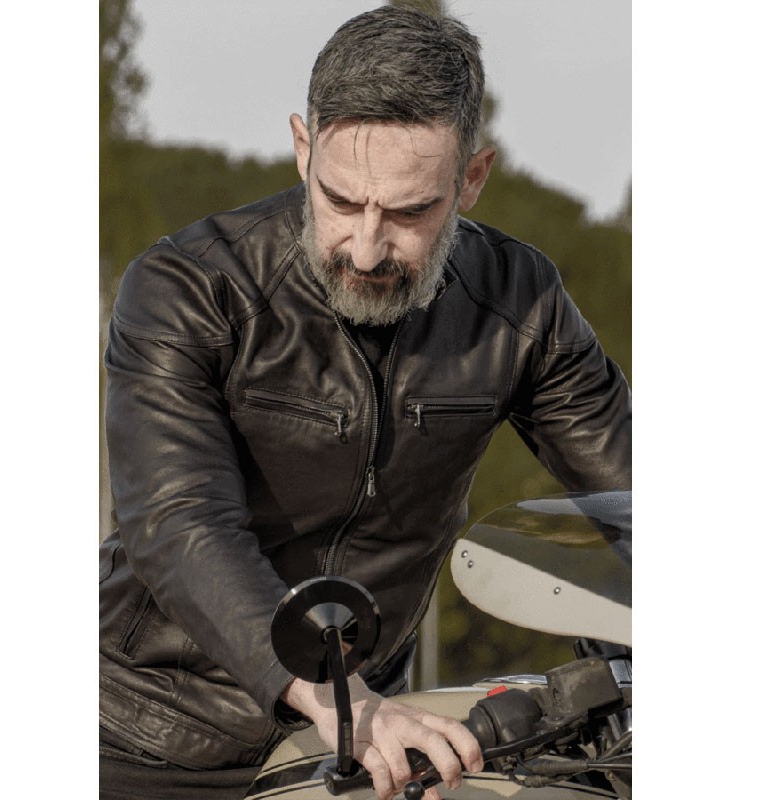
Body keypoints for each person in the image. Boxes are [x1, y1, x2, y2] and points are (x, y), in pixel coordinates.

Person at [98, 5, 631, 800]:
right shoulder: (187, 288)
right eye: (342, 201)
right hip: (149, 732)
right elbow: (179, 522)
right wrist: (331, 694)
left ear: (471, 179)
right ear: (303, 147)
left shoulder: (523, 304)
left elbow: (638, 491)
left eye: (411, 212)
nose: (369, 247)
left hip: (370, 736)